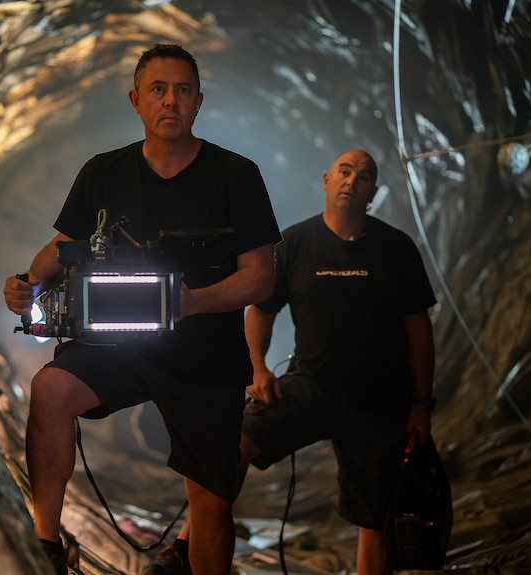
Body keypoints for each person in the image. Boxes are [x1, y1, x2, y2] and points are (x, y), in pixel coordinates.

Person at [3, 43, 281, 575]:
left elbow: (260, 276)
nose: (170, 100)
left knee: (211, 501)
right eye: (158, 89)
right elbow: (63, 245)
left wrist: (194, 301)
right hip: (120, 344)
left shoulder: (236, 176)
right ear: (136, 100)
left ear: (199, 102)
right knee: (51, 388)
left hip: (206, 358)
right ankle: (44, 546)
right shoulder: (103, 173)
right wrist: (27, 282)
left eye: (182, 90)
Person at [146, 149, 436, 575]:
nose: (352, 180)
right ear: (325, 180)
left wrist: (421, 403)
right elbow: (260, 310)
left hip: (377, 401)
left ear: (373, 190)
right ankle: (185, 549)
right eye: (344, 171)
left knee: (374, 514)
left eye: (364, 176)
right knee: (234, 445)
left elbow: (418, 328)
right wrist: (258, 368)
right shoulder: (296, 243)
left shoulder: (396, 249)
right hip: (310, 385)